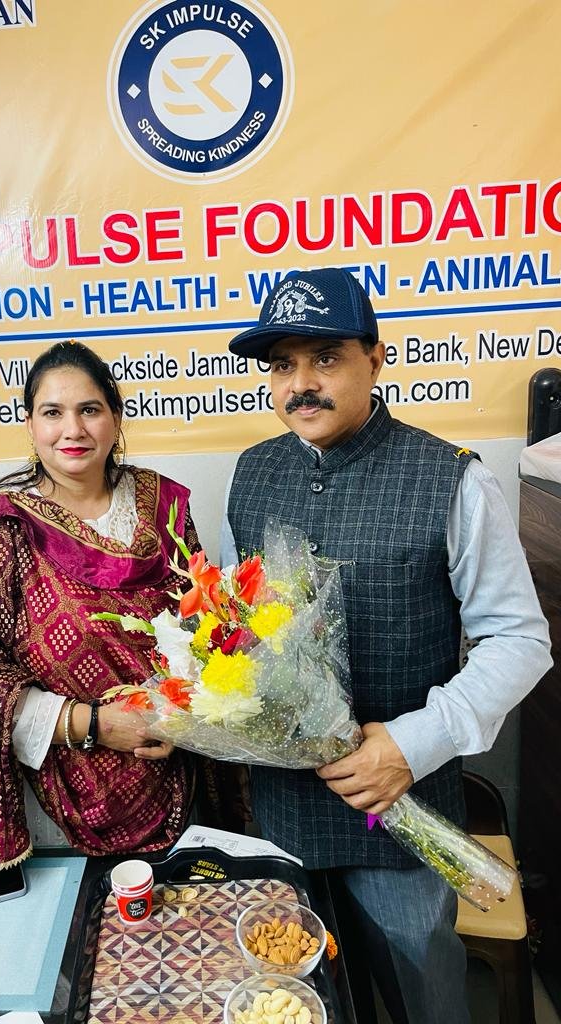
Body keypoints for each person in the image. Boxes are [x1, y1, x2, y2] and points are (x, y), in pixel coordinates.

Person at [220, 268, 552, 1024]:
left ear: (376, 358)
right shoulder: (252, 473)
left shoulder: (450, 479)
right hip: (285, 815)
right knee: (301, 1000)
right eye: (282, 365)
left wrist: (410, 744)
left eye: (325, 358)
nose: (301, 384)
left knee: (421, 996)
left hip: (401, 815)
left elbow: (518, 640)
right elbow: (246, 629)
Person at [0, 341, 204, 895]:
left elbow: (202, 629)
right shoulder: (4, 529)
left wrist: (179, 723)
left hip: (175, 777)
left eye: (89, 409)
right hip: (53, 805)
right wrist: (94, 725)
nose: (73, 430)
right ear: (30, 424)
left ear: (116, 417)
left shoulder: (163, 507)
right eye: (52, 412)